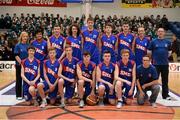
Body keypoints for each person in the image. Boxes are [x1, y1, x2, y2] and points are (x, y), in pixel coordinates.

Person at [148, 28, 172, 100]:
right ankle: (153, 95)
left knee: (165, 80)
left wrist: (163, 57)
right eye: (159, 31)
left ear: (164, 33)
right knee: (154, 80)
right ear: (157, 33)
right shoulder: (153, 41)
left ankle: (165, 95)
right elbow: (149, 52)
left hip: (165, 64)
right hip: (155, 65)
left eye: (162, 31)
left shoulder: (168, 42)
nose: (160, 33)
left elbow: (169, 52)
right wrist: (153, 59)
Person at [14, 31, 29, 99]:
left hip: (27, 66)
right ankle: (19, 95)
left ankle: (25, 94)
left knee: (26, 80)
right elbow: (16, 56)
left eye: (26, 36)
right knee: (19, 80)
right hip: (19, 65)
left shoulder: (28, 45)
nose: (25, 38)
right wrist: (22, 63)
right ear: (21, 37)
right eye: (24, 36)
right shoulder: (18, 45)